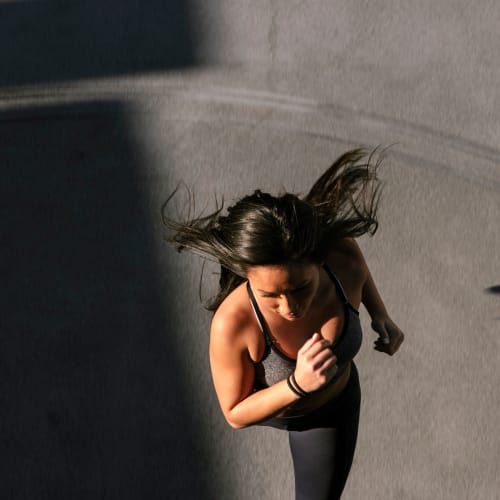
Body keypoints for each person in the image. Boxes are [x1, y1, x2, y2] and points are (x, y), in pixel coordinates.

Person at [163, 149, 405, 500]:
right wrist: (297, 384)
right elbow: (234, 412)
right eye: (270, 295)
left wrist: (379, 313)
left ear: (320, 259)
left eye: (301, 287)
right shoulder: (233, 323)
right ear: (247, 276)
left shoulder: (340, 255)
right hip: (300, 414)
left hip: (335, 408)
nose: (289, 306)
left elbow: (358, 272)